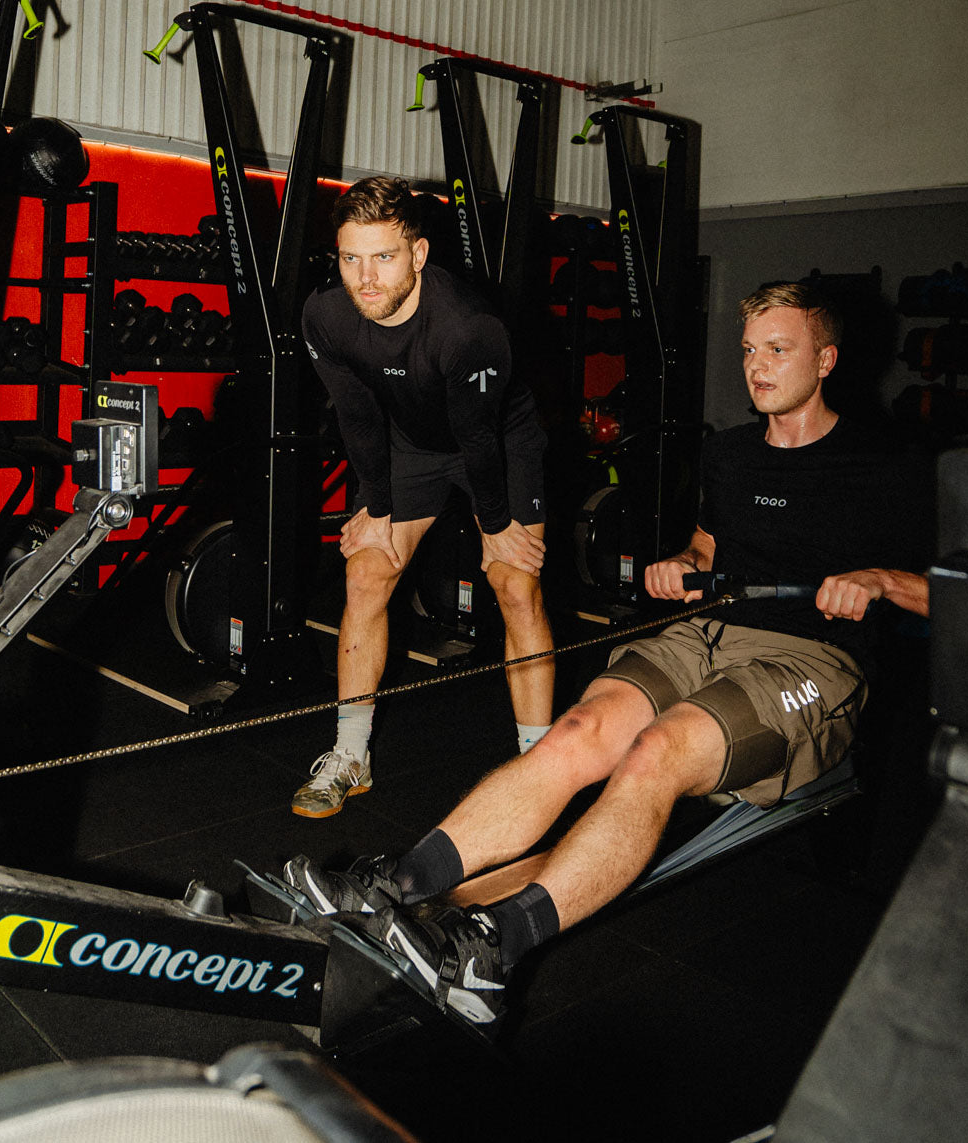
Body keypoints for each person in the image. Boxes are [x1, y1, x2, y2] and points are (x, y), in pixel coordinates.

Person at [276, 280, 931, 1026]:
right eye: (751, 350)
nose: (757, 366)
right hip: (707, 634)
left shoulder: (884, 464)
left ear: (826, 359)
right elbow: (708, 547)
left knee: (656, 752)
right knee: (578, 733)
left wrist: (880, 580)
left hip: (811, 660)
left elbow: (956, 592)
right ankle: (396, 883)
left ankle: (493, 945)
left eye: (778, 350)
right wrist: (681, 563)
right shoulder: (730, 453)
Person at [291, 176, 555, 819]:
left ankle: (540, 766)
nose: (365, 278)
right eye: (351, 258)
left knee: (515, 584)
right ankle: (350, 755)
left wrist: (497, 525)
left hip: (499, 444)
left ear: (418, 253)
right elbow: (356, 415)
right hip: (412, 445)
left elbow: (477, 437)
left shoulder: (468, 327)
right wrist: (377, 511)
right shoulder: (325, 315)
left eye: (383, 257)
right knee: (366, 574)